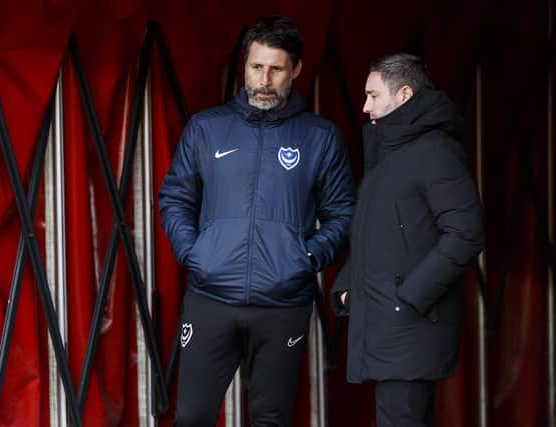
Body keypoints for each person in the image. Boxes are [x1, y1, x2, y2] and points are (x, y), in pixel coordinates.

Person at [159, 16, 355, 427]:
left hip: (281, 303)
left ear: (296, 69)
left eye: (276, 69)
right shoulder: (207, 128)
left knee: (270, 418)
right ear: (244, 65)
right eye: (256, 67)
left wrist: (306, 257)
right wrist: (194, 253)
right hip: (210, 297)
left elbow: (342, 214)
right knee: (191, 416)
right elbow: (175, 197)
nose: (264, 79)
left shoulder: (320, 137)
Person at [331, 53, 484, 427]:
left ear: (403, 94)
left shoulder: (436, 151)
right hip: (390, 324)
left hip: (410, 325)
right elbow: (375, 234)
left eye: (373, 95)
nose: (365, 106)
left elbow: (466, 232)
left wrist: (412, 296)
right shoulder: (388, 154)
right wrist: (347, 286)